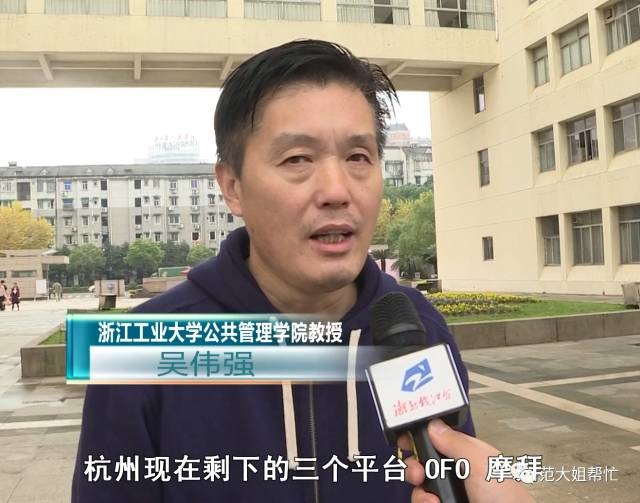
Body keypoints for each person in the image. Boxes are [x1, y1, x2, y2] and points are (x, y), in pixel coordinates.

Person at [72, 40, 532, 502]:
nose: (337, 190)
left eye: (358, 157)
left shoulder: (414, 327)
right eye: (297, 159)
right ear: (232, 186)